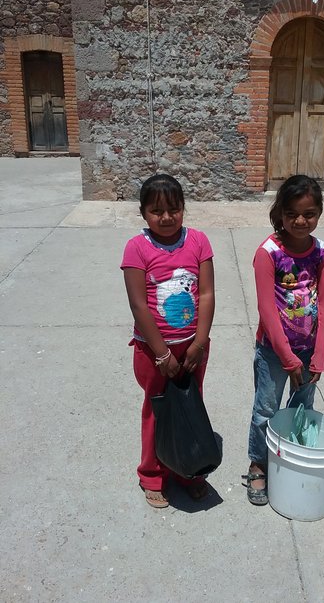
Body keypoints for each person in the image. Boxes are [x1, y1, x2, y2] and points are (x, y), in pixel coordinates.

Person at [121, 173, 215, 508]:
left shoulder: (198, 241)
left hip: (192, 349)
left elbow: (206, 294)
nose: (166, 217)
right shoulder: (136, 248)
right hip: (153, 352)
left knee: (189, 408)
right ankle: (152, 474)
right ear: (143, 213)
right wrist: (162, 354)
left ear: (183, 208)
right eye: (156, 211)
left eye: (174, 209)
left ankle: (189, 470)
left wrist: (199, 344)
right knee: (158, 411)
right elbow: (138, 305)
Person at [245, 175, 324, 505]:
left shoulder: (322, 252)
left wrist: (318, 355)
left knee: (301, 409)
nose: (300, 221)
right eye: (292, 214)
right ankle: (258, 464)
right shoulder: (268, 253)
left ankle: (293, 461)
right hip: (273, 351)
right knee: (265, 410)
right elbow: (267, 309)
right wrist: (287, 357)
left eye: (309, 214)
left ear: (319, 213)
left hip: (308, 350)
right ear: (280, 213)